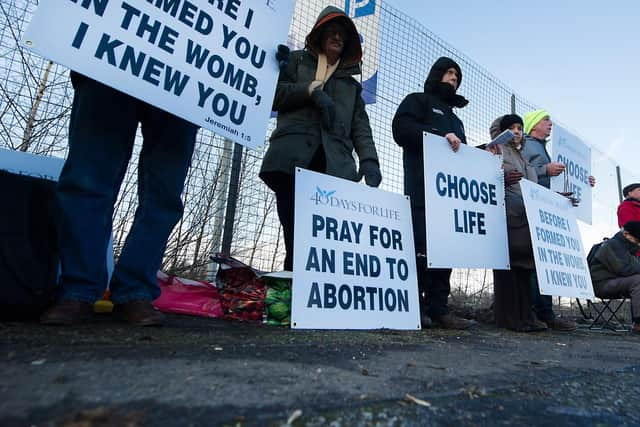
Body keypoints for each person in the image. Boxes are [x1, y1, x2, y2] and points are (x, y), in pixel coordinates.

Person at [40, 72, 199, 326]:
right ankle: (77, 289)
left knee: (164, 193)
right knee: (87, 177)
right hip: (109, 65)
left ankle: (135, 292)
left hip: (187, 83)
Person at [260, 6, 381, 271]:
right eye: (331, 31)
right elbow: (271, 95)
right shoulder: (294, 61)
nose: (337, 37)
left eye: (342, 35)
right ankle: (294, 294)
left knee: (326, 239)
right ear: (319, 33)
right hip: (291, 160)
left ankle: (319, 299)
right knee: (295, 234)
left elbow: (361, 128)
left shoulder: (352, 87)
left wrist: (370, 160)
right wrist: (309, 92)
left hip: (334, 168)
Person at [392, 57, 474, 329]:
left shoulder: (457, 120)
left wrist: (485, 151)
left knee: (445, 251)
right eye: (450, 72)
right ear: (437, 74)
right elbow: (401, 129)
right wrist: (437, 136)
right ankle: (414, 307)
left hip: (450, 199)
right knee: (419, 250)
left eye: (457, 75)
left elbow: (462, 156)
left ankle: (439, 309)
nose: (454, 78)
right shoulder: (418, 101)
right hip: (421, 190)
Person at [521, 109, 595, 331]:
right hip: (531, 209)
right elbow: (520, 171)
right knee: (534, 263)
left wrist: (583, 181)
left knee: (545, 263)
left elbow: (552, 177)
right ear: (533, 125)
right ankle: (536, 312)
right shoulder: (525, 145)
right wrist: (546, 169)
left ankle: (547, 313)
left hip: (547, 210)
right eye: (546, 120)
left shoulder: (543, 149)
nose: (550, 124)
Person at [486, 114, 547, 332]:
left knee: (524, 267)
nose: (517, 131)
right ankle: (509, 319)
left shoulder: (524, 158)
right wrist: (501, 179)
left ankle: (526, 316)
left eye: (520, 127)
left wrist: (559, 198)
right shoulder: (494, 150)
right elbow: (482, 174)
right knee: (508, 267)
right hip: (505, 216)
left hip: (525, 217)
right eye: (511, 127)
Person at [589, 221, 640, 334]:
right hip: (601, 284)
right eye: (636, 240)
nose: (638, 244)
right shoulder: (612, 245)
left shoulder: (626, 247)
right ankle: (638, 324)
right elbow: (624, 269)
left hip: (615, 281)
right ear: (626, 234)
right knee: (638, 281)